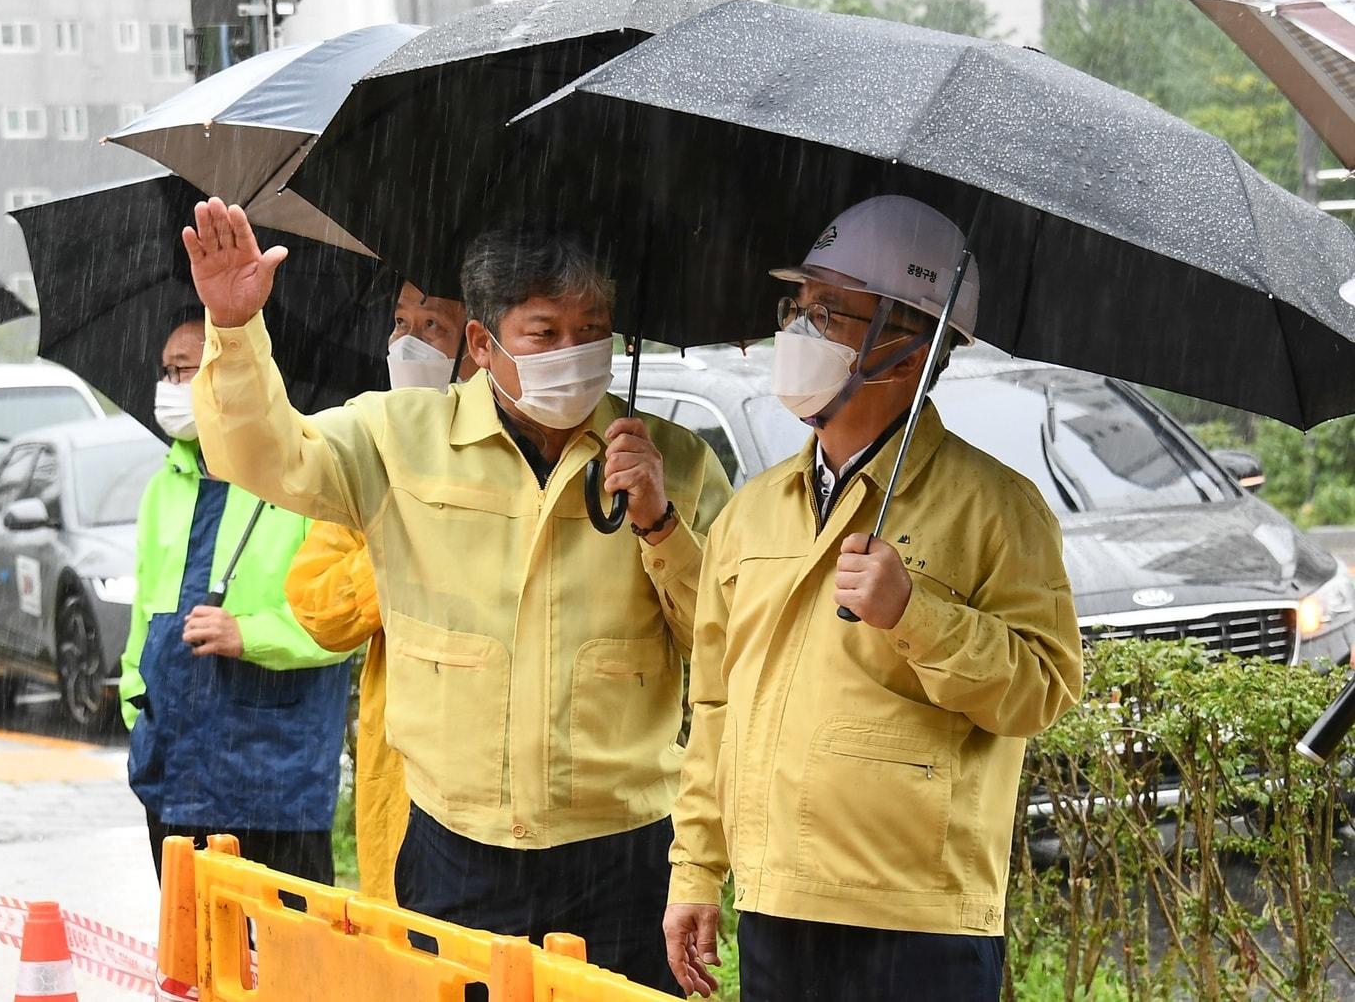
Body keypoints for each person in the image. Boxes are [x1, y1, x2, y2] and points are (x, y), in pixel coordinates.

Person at [182, 198, 733, 990]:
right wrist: (234, 332)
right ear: (482, 341)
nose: (573, 352)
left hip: (623, 846)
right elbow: (262, 456)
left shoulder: (671, 459)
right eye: (545, 332)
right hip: (456, 846)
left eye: (592, 328)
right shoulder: (400, 436)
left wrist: (661, 524)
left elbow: (719, 639)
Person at [662, 195, 1084, 1001]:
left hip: (919, 922)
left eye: (829, 312)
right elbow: (716, 705)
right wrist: (695, 869)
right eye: (799, 306)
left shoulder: (997, 507)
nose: (796, 332)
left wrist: (915, 616)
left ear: (911, 343)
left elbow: (1044, 689)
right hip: (778, 904)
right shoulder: (752, 511)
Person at [119, 313, 352, 885]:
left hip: (274, 771)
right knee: (192, 957)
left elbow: (342, 617)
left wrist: (249, 634)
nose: (174, 387)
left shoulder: (305, 478)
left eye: (189, 370)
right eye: (168, 372)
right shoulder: (164, 485)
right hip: (173, 769)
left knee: (286, 959)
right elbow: (144, 619)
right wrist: (138, 707)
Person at [285, 281, 472, 903]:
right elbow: (320, 606)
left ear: (478, 346)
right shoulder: (369, 452)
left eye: (432, 327)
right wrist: (397, 536)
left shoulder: (516, 461)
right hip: (398, 765)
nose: (408, 342)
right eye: (399, 322)